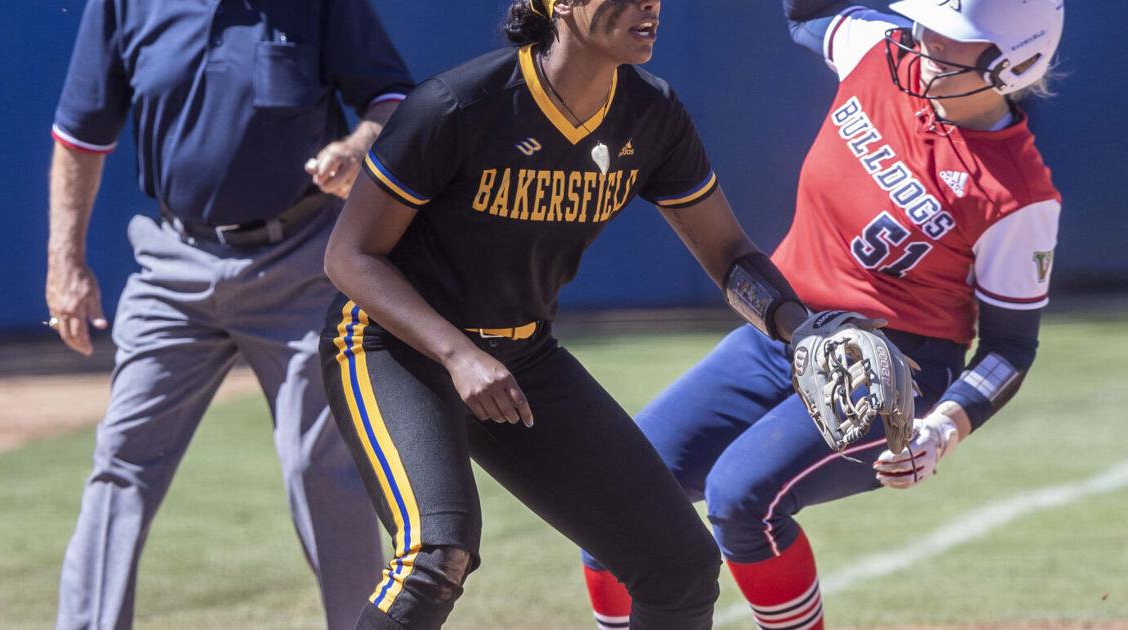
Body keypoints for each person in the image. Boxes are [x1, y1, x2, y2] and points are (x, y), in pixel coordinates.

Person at [314, 0, 903, 626]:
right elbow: (350, 257)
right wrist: (458, 355)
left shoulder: (650, 114)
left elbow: (728, 253)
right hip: (392, 346)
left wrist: (799, 329)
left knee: (679, 565)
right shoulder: (458, 105)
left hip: (520, 355)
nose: (648, 4)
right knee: (435, 555)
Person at [578, 0, 1065, 628]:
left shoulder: (1018, 195)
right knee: (612, 496)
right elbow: (807, 11)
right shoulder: (882, 52)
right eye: (930, 23)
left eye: (953, 38)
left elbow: (1009, 350)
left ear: (1013, 63)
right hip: (783, 333)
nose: (927, 40)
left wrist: (941, 430)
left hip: (892, 373)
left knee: (741, 499)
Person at [45, 1, 413, 627]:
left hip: (300, 259)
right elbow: (81, 133)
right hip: (173, 262)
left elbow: (394, 98)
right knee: (123, 459)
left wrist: (357, 147)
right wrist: (65, 263)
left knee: (321, 467)